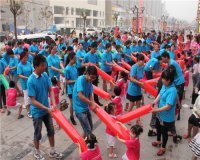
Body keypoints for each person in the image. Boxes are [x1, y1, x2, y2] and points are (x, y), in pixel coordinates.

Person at [27, 54, 63, 159]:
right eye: (42, 65)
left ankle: (52, 151)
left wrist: (53, 103)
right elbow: (33, 100)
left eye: (45, 65)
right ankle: (37, 152)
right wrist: (47, 108)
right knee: (37, 134)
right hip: (37, 112)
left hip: (47, 110)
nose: (44, 67)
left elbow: (50, 89)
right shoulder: (31, 81)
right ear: (36, 66)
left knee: (51, 131)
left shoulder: (45, 75)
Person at [151, 66, 177, 156]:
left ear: (169, 80)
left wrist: (155, 109)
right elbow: (160, 94)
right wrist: (155, 101)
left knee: (164, 132)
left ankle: (163, 147)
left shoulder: (172, 90)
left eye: (164, 79)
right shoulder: (164, 85)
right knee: (158, 127)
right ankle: (158, 141)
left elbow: (168, 106)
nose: (162, 80)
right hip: (160, 113)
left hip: (166, 116)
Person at [72, 66, 97, 138]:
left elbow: (91, 93)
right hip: (79, 109)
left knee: (90, 127)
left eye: (94, 78)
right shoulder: (81, 79)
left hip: (85, 107)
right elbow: (80, 96)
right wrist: (91, 103)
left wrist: (93, 103)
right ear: (87, 74)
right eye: (91, 77)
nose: (92, 79)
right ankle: (86, 147)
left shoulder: (90, 82)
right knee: (88, 130)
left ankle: (81, 143)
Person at [161, 51, 185, 120]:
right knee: (174, 98)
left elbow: (171, 75)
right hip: (176, 82)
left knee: (178, 99)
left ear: (166, 57)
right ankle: (174, 113)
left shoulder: (172, 63)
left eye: (163, 58)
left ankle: (177, 115)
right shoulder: (169, 63)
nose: (162, 60)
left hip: (179, 82)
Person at [127, 54, 145, 126]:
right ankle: (128, 118)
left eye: (144, 61)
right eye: (142, 61)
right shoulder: (134, 67)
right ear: (138, 61)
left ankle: (138, 120)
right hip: (132, 89)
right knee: (131, 105)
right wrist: (139, 82)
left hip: (138, 89)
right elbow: (131, 78)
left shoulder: (142, 67)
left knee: (138, 105)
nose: (143, 62)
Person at [82, 42, 102, 106]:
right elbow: (82, 64)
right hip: (89, 75)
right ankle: (89, 103)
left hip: (95, 74)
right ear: (91, 48)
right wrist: (88, 64)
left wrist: (96, 65)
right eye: (94, 49)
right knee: (88, 89)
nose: (95, 50)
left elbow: (97, 63)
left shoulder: (95, 55)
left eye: (96, 49)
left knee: (96, 88)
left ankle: (96, 101)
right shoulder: (86, 55)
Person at [17, 51, 33, 118]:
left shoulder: (28, 63)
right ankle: (28, 112)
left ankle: (32, 109)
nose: (26, 59)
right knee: (26, 98)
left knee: (32, 96)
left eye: (26, 57)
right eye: (24, 58)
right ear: (21, 58)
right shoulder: (19, 65)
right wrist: (27, 78)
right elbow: (19, 75)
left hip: (31, 83)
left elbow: (32, 70)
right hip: (24, 84)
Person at [64, 52, 78, 125]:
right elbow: (66, 81)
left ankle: (77, 114)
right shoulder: (67, 69)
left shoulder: (74, 66)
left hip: (76, 88)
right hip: (71, 89)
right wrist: (75, 81)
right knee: (72, 103)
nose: (76, 60)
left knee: (76, 102)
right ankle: (71, 116)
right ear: (70, 59)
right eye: (74, 59)